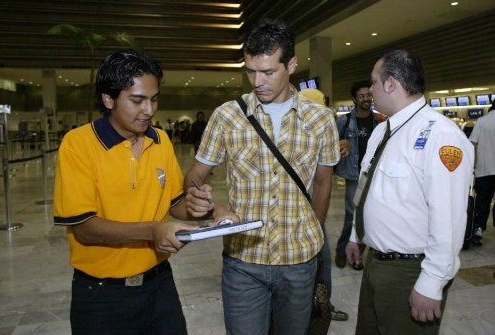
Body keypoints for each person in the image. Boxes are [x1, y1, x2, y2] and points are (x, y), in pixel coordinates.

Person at [53, 49, 231, 335]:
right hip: (101, 297)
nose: (149, 110)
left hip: (159, 287)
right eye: (137, 100)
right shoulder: (78, 145)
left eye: (154, 98)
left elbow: (175, 203)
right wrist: (152, 231)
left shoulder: (159, 140)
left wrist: (200, 207)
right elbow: (84, 228)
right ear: (108, 99)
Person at [184, 18, 340, 335]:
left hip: (299, 260)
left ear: (292, 64)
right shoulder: (228, 115)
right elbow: (195, 176)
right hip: (243, 261)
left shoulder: (321, 119)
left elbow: (324, 182)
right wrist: (211, 207)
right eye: (251, 71)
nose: (258, 81)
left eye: (268, 72)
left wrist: (315, 232)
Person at [345, 49, 474, 335]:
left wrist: (431, 282)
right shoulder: (383, 131)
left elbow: (449, 218)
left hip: (410, 271)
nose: (370, 90)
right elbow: (368, 190)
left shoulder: (441, 136)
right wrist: (357, 235)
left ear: (390, 84)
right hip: (375, 263)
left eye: (374, 83)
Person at [298, 88, 348, 322]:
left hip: (308, 212)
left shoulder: (313, 133)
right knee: (319, 261)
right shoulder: (308, 134)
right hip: (307, 212)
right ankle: (317, 307)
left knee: (318, 262)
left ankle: (317, 306)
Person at [334, 80, 385, 270]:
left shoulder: (380, 120)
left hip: (373, 175)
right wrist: (342, 143)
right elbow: (330, 145)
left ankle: (357, 255)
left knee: (369, 215)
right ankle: (341, 251)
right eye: (361, 96)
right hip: (354, 175)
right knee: (351, 215)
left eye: (368, 95)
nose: (366, 99)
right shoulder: (344, 121)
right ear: (354, 99)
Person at [469, 100, 495, 246]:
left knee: (483, 202)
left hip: (484, 170)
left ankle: (478, 229)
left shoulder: (482, 121)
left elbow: (473, 143)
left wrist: (473, 166)